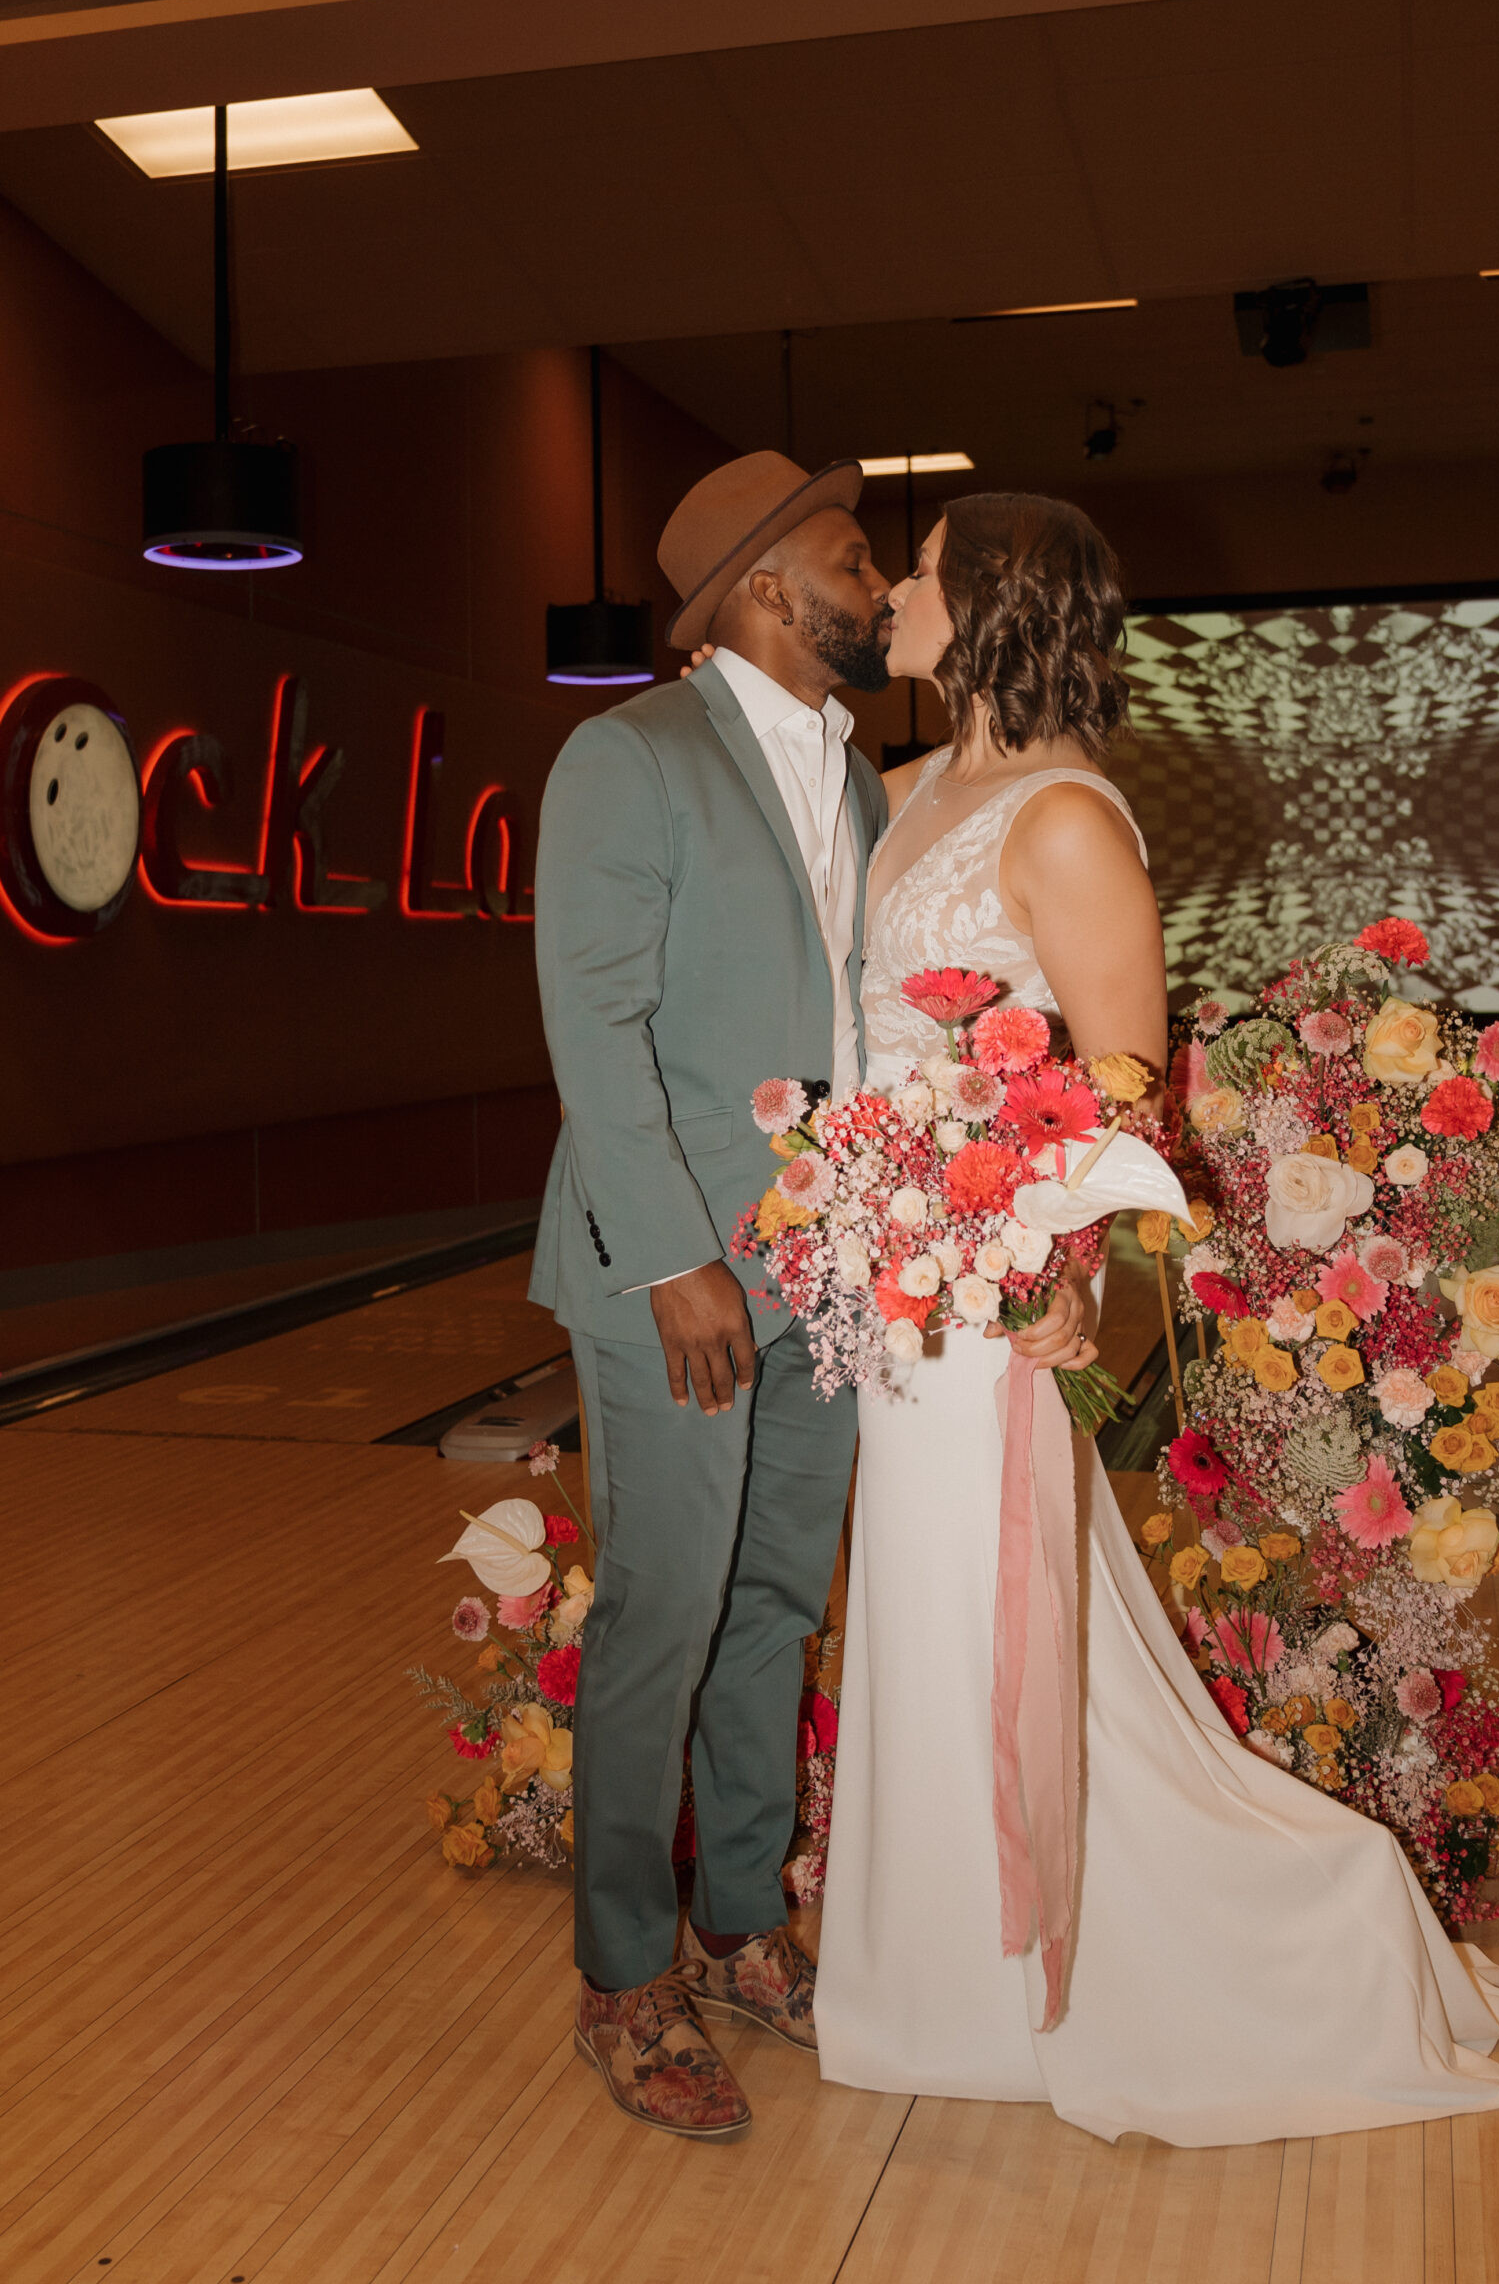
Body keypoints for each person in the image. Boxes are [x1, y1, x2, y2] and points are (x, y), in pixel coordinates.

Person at [814, 490, 1499, 2146]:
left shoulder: (1069, 820)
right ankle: (925, 1969)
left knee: (981, 1615)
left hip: (988, 1293)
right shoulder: (914, 784)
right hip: (893, 1283)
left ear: (996, 603)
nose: (897, 592)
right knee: (932, 1621)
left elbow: (1125, 1087)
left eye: (925, 569)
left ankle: (1007, 1986)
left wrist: (1057, 1273)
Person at [530, 452, 1087, 2143]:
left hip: (828, 1274)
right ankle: (627, 1980)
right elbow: (593, 1022)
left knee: (775, 1603)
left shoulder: (858, 778)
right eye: (860, 558)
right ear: (773, 587)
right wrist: (677, 1257)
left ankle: (745, 1923)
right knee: (663, 1614)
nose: (878, 586)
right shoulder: (627, 760)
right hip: (675, 1275)